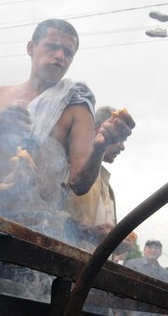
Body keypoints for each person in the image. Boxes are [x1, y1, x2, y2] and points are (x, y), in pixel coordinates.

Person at [0, 19, 135, 240]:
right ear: (31, 48)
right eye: (52, 46)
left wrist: (100, 146)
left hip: (33, 230)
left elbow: (79, 184)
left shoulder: (76, 107)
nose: (60, 56)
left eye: (68, 52)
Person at [65, 106, 136, 252]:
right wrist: (90, 233)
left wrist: (115, 243)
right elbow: (48, 213)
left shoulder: (108, 187)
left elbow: (104, 237)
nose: (122, 147)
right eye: (119, 139)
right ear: (101, 130)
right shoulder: (70, 165)